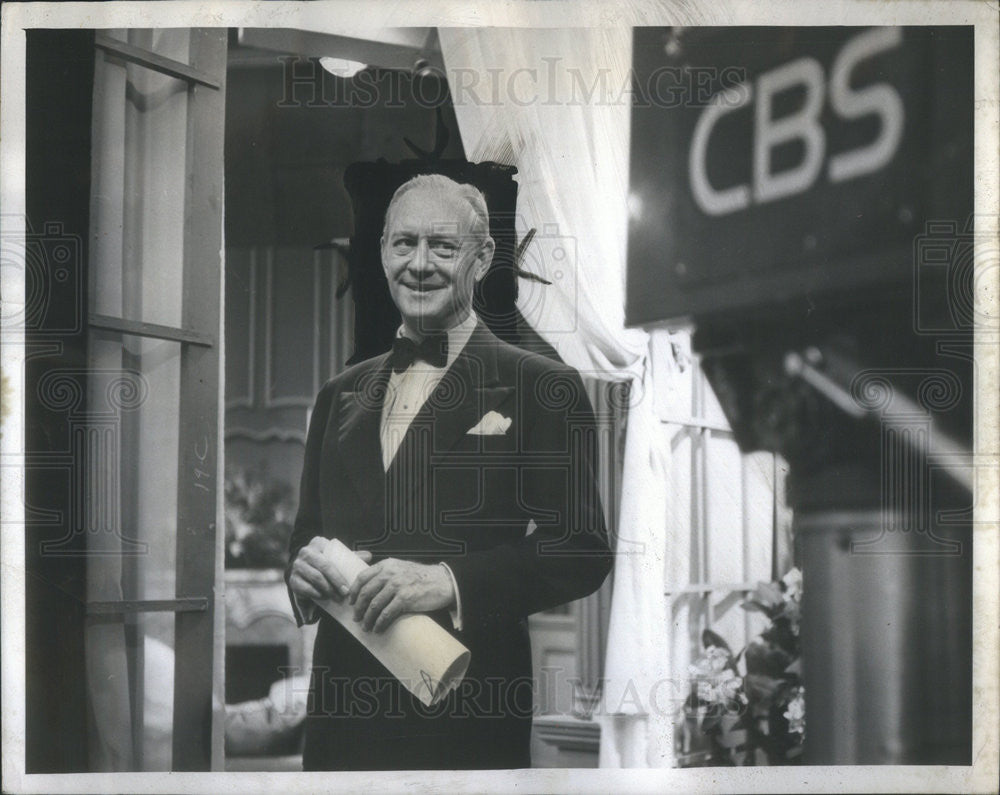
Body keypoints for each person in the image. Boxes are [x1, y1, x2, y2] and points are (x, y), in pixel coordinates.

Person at [286, 173, 612, 770]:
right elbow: (305, 537)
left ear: (483, 257)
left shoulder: (544, 386)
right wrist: (301, 576)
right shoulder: (339, 394)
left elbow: (583, 550)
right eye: (403, 243)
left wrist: (449, 580)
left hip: (466, 712)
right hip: (342, 718)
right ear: (382, 250)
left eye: (443, 246)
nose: (419, 264)